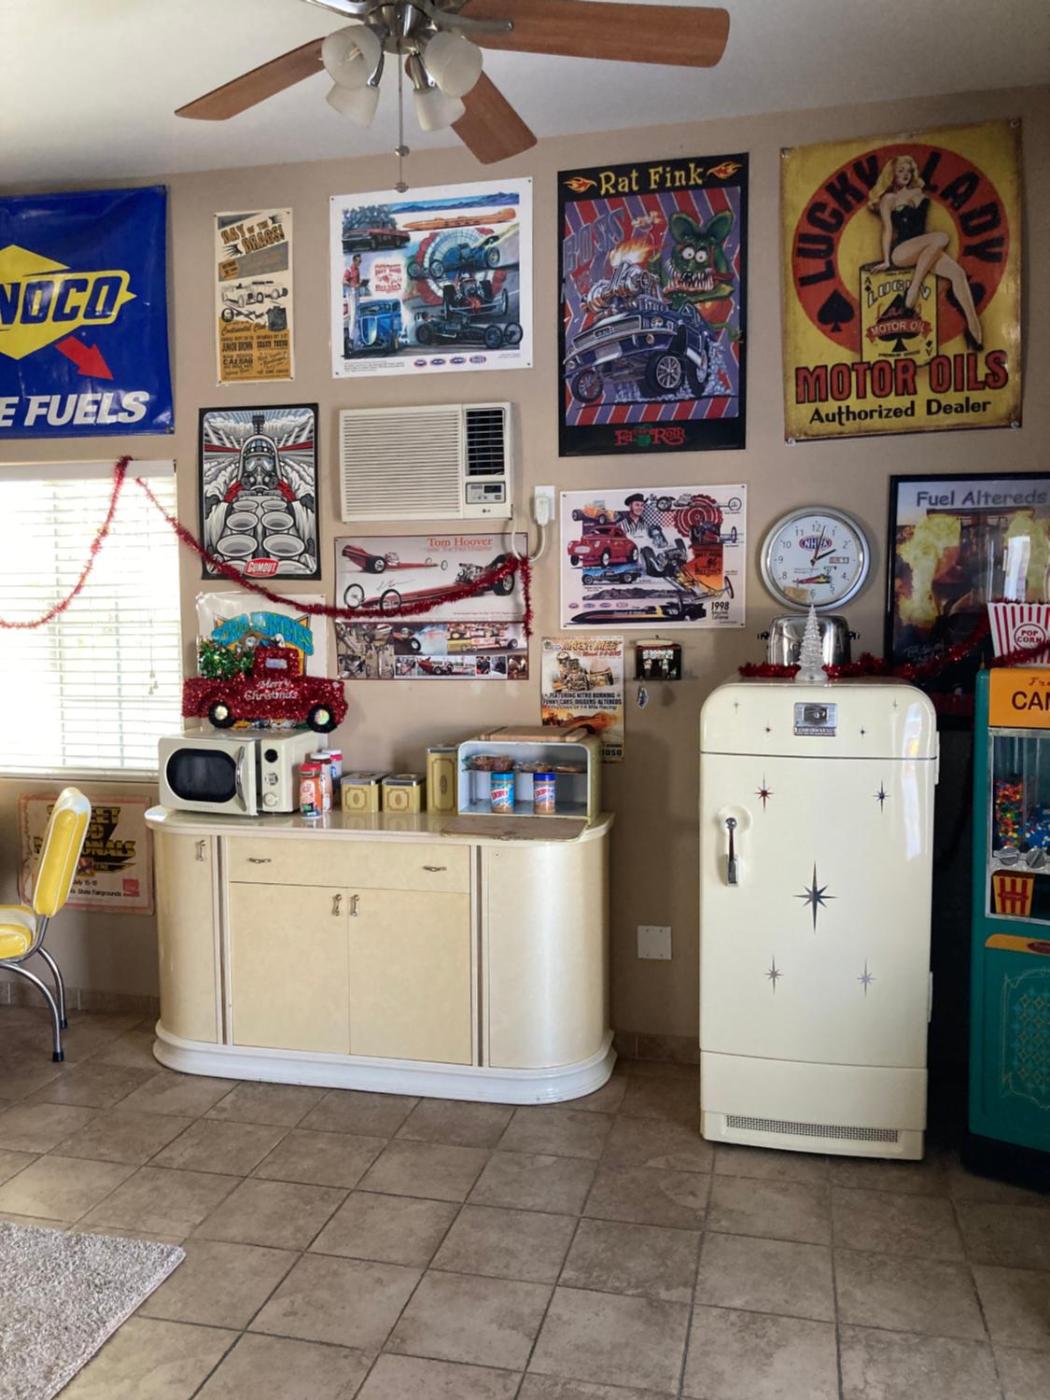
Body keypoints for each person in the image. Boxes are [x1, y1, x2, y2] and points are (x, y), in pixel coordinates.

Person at [868, 154, 983, 349]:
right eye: (900, 171)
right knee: (942, 237)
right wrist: (886, 260)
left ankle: (974, 328)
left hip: (926, 249)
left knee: (958, 274)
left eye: (909, 170)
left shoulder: (918, 193)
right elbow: (887, 229)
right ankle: (914, 289)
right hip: (902, 251)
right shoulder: (889, 199)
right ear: (892, 174)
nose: (905, 174)